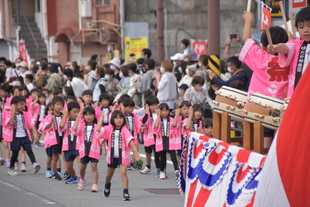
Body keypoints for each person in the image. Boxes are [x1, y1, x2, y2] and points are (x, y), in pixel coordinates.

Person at [240, 11, 289, 99]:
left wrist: (248, 20)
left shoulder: (260, 57)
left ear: (263, 46)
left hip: (256, 104)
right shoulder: (291, 59)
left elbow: (246, 40)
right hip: (283, 106)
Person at [267, 7, 310, 98]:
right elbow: (287, 47)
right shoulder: (297, 45)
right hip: (299, 95)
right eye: (301, 27)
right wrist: (276, 47)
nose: (306, 30)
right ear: (297, 28)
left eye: (309, 26)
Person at [102, 110, 140, 201]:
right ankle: (107, 184)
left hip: (123, 156)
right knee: (108, 175)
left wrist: (135, 151)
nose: (119, 120)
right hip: (112, 156)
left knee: (123, 173)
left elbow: (130, 140)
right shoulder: (109, 128)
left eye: (121, 118)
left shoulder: (125, 130)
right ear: (112, 119)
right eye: (116, 118)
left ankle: (126, 192)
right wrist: (103, 146)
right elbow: (100, 133)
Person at [3, 96, 41, 176]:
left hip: (24, 136)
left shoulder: (25, 114)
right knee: (15, 153)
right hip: (15, 137)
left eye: (24, 104)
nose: (23, 106)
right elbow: (10, 122)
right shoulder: (9, 114)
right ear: (14, 105)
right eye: (21, 104)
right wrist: (13, 112)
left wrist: (35, 133)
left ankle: (34, 163)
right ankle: (11, 168)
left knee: (29, 150)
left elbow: (30, 124)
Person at [72, 106, 105, 192]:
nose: (88, 117)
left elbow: (100, 132)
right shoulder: (82, 125)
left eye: (90, 115)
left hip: (94, 149)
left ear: (94, 116)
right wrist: (78, 117)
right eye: (86, 115)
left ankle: (95, 185)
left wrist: (102, 118)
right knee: (82, 167)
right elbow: (75, 130)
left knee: (94, 167)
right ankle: (82, 179)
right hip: (83, 149)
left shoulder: (97, 126)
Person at [38, 96, 64, 180]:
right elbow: (44, 127)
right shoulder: (49, 117)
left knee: (58, 156)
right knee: (52, 156)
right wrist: (51, 122)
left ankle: (58, 171)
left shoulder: (63, 116)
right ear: (53, 106)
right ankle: (52, 171)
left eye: (61, 105)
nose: (59, 106)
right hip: (52, 139)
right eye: (57, 104)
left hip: (61, 138)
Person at [153, 103, 178, 179]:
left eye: (166, 110)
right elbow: (156, 127)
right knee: (162, 156)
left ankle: (176, 170)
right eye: (163, 110)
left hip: (170, 139)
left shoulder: (171, 119)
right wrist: (158, 116)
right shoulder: (157, 119)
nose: (165, 112)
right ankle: (162, 171)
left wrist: (176, 115)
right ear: (159, 111)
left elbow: (174, 125)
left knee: (173, 156)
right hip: (161, 140)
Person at [59, 102, 81, 184]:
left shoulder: (81, 121)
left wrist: (79, 117)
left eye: (77, 112)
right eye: (74, 112)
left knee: (79, 160)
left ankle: (81, 177)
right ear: (69, 112)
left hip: (78, 144)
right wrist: (65, 114)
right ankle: (74, 177)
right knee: (68, 165)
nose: (76, 114)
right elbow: (61, 126)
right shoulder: (66, 121)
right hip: (67, 145)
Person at [140, 95, 160, 175]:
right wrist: (146, 114)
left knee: (157, 154)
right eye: (152, 105)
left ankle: (159, 168)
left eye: (156, 104)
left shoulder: (160, 114)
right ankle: (148, 166)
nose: (154, 106)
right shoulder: (147, 115)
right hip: (148, 137)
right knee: (148, 153)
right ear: (148, 106)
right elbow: (143, 123)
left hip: (157, 137)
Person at [122, 98, 143, 170]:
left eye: (132, 108)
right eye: (129, 108)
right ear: (125, 108)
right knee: (126, 149)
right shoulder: (122, 116)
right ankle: (126, 162)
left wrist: (139, 133)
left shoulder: (134, 115)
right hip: (125, 136)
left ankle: (134, 162)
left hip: (134, 135)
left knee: (136, 148)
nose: (131, 109)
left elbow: (138, 124)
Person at [172, 100, 191, 165]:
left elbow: (188, 127)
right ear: (180, 110)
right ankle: (179, 171)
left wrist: (191, 115)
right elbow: (174, 124)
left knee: (188, 158)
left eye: (188, 109)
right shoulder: (179, 118)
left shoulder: (191, 119)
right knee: (179, 157)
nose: (186, 111)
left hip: (187, 141)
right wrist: (177, 114)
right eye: (184, 109)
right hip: (180, 141)